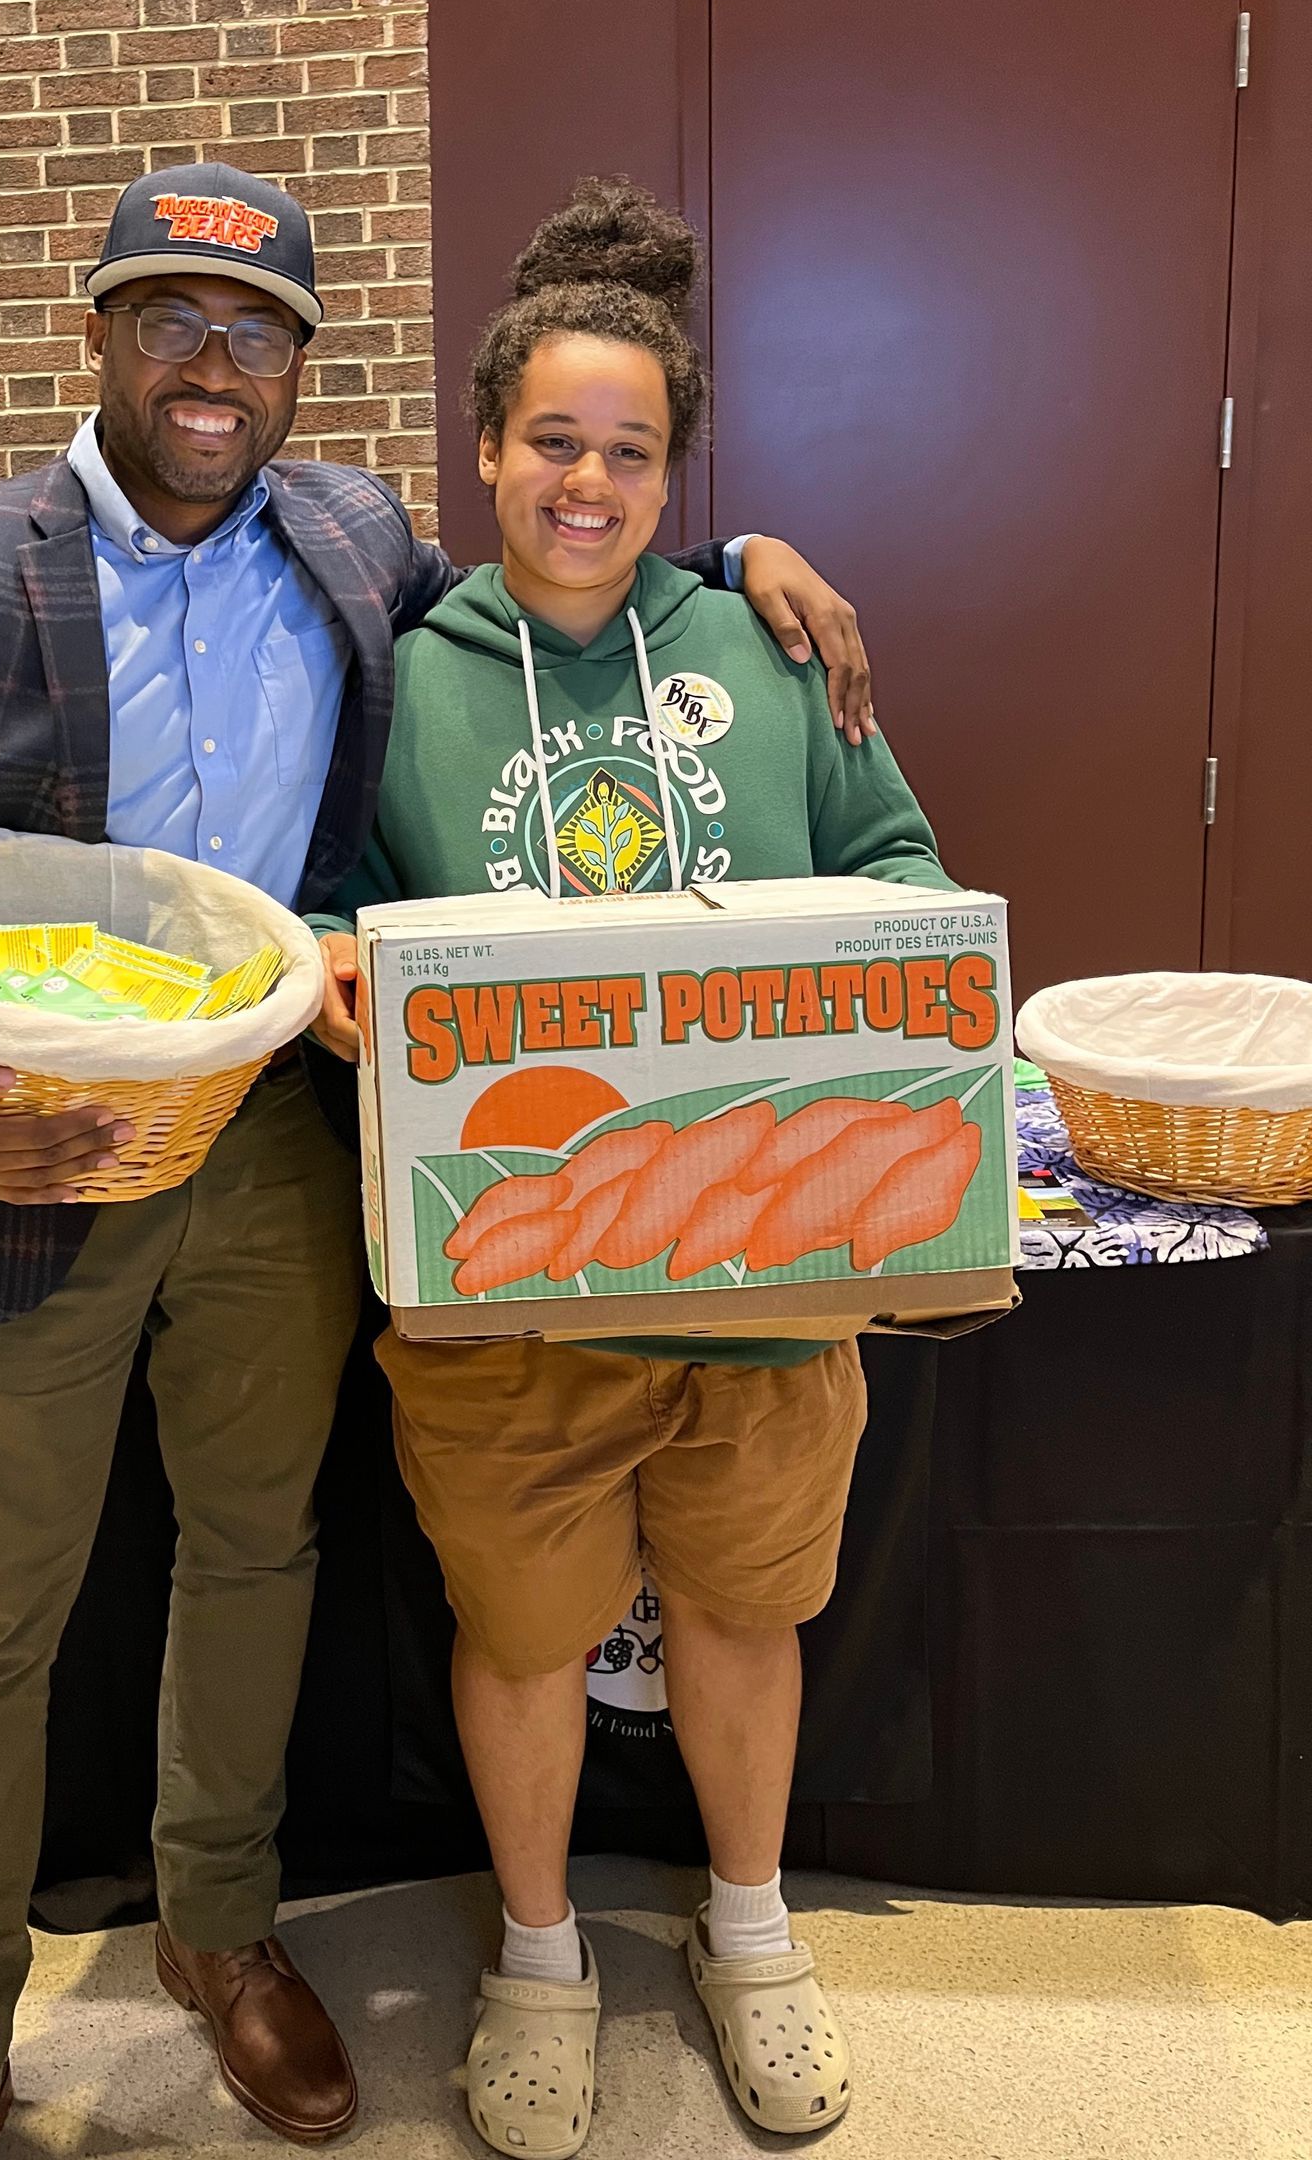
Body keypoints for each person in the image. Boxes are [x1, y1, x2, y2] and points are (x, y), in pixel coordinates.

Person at [0, 160, 876, 2160]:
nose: (212, 358)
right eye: (171, 313)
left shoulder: (348, 539)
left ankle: (225, 1932)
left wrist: (750, 547)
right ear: (97, 331)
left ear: (306, 367)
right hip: (27, 1147)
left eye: (256, 327)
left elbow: (570, 563)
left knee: (256, 1553)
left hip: (271, 1146)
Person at [311, 177, 957, 2149]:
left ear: (678, 471)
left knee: (749, 1614)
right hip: (508, 1283)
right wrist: (344, 971)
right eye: (553, 444)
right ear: (486, 451)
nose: (588, 483)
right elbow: (332, 908)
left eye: (633, 452)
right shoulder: (402, 668)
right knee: (519, 1634)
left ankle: (747, 1932)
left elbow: (908, 870)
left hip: (764, 1273)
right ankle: (535, 1952)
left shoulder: (775, 649)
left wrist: (876, 985)